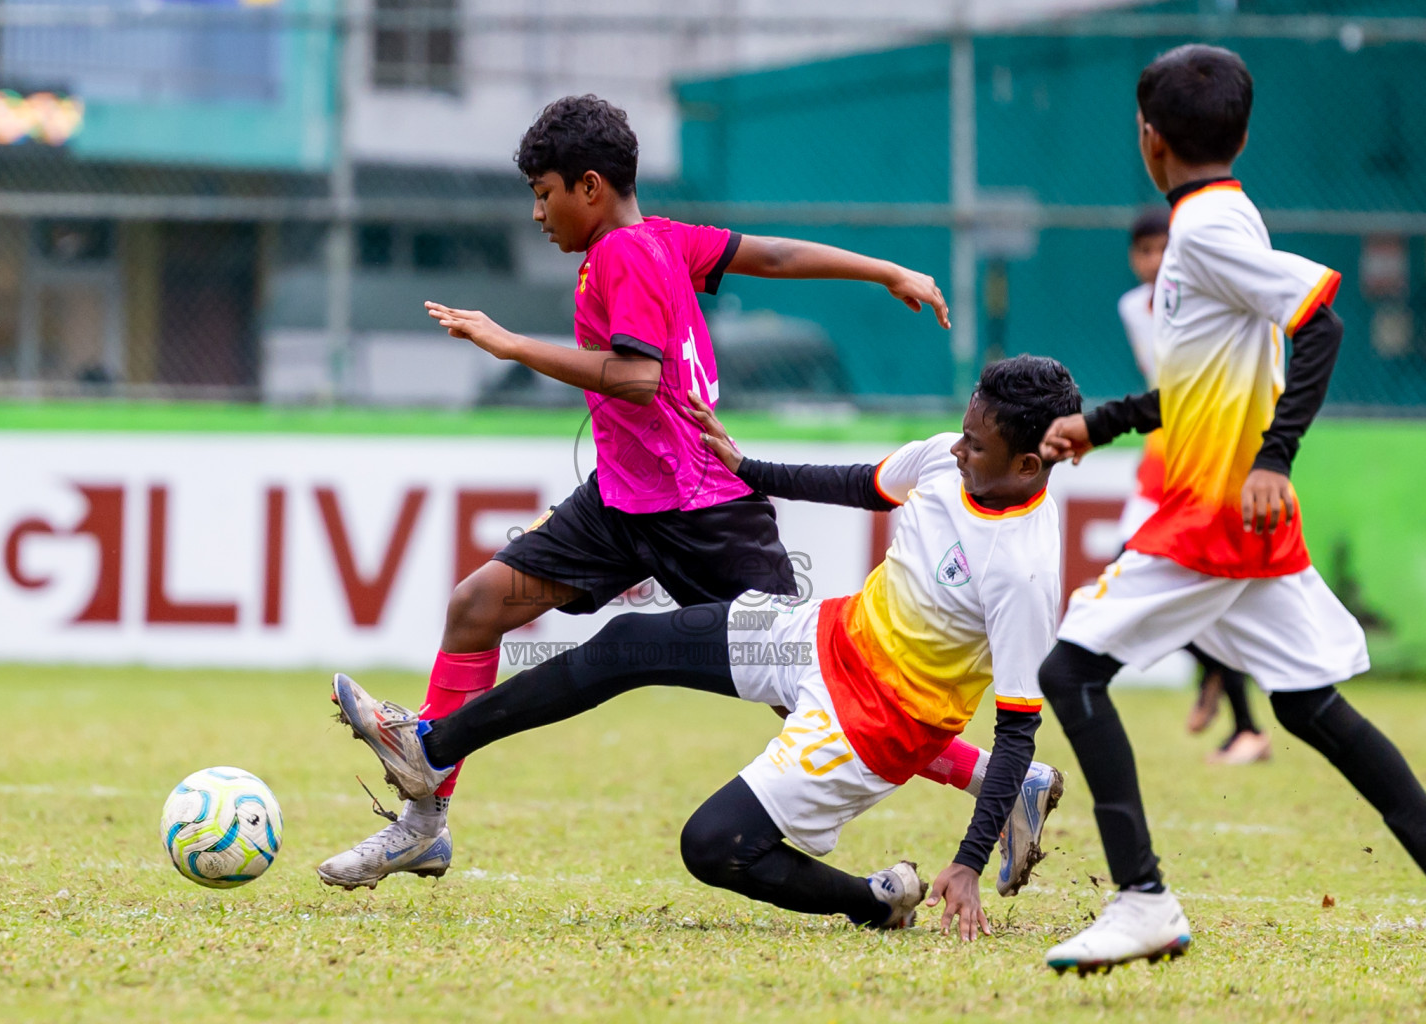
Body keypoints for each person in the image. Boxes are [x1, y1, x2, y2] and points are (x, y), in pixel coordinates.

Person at [317, 93, 955, 889]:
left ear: (589, 187)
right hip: (623, 505)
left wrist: (512, 344)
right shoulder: (663, 240)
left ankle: (1008, 778)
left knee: (811, 692)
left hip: (704, 511)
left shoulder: (624, 253)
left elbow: (638, 378)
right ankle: (423, 824)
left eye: (544, 193)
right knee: (477, 607)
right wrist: (885, 268)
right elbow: (776, 258)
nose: (540, 212)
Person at [326, 356, 1079, 936]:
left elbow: (1017, 727)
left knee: (713, 846)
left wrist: (968, 864)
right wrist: (747, 467)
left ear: (1028, 465)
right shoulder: (953, 456)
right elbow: (862, 483)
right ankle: (429, 747)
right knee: (627, 642)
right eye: (963, 433)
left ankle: (873, 903)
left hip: (873, 725)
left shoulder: (1022, 571)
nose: (958, 452)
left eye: (977, 448)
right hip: (821, 635)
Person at [1037, 44, 1426, 974]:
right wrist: (1107, 421)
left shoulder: (1206, 231)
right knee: (1307, 705)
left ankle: (1142, 902)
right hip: (1231, 519)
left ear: (1148, 138)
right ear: (1244, 134)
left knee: (1069, 674)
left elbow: (1321, 321)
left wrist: (1273, 459)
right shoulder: (1217, 220)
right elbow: (1206, 380)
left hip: (1210, 514)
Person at [1119, 207, 1270, 765]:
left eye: (1164, 249)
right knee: (1130, 565)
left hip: (1209, 454)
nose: (1154, 261)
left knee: (1198, 585)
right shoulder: (1133, 308)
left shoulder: (1203, 296)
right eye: (1144, 251)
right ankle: (1220, 682)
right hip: (1164, 450)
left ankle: (1247, 727)